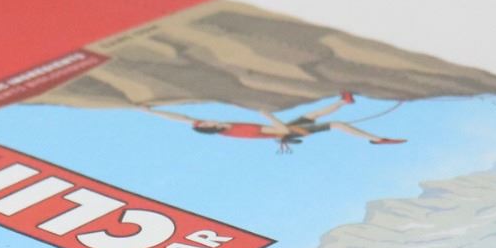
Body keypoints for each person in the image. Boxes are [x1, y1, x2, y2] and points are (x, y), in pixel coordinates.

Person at [142, 92, 405, 152]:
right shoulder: (243, 131)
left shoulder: (215, 127)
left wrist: (151, 112)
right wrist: (266, 114)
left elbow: (182, 119)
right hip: (287, 131)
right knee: (336, 125)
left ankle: (344, 101)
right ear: (212, 127)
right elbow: (280, 129)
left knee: (315, 114)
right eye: (207, 121)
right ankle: (376, 139)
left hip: (281, 129)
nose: (207, 119)